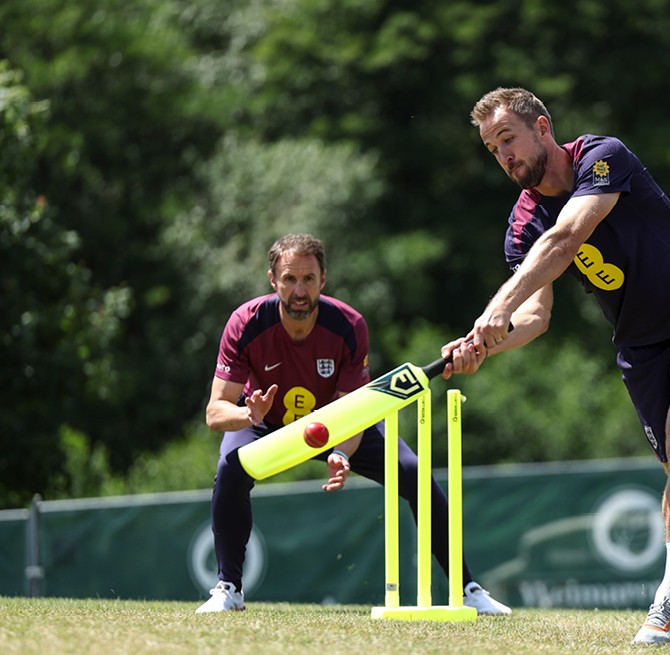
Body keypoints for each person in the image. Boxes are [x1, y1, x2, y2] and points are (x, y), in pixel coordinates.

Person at [441, 88, 670, 644]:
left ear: (542, 127)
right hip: (641, 352)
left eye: (508, 139)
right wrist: (484, 344)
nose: (503, 156)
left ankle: (669, 611)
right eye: (492, 149)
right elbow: (536, 317)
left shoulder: (603, 155)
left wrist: (494, 307)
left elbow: (567, 238)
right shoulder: (521, 222)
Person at [197, 233, 511, 616]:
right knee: (230, 470)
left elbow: (355, 409)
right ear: (272, 280)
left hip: (338, 421)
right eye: (290, 279)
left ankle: (467, 589)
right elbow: (216, 413)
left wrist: (341, 454)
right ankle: (228, 588)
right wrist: (250, 415)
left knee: (413, 471)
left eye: (308, 279)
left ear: (323, 280)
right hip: (263, 420)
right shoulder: (246, 323)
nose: (299, 290)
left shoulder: (348, 325)